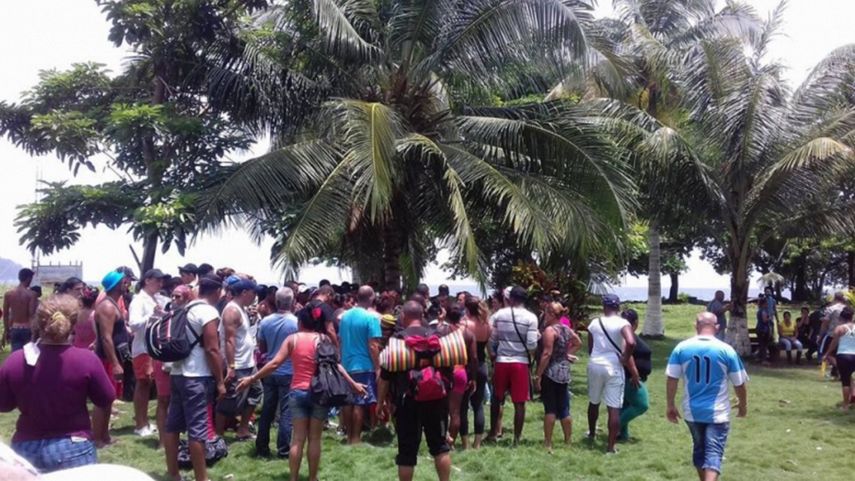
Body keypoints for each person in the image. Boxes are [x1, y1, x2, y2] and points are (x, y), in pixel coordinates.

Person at [237, 305, 365, 481]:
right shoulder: (323, 339)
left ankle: (293, 478)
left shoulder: (292, 339)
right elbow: (336, 365)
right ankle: (312, 478)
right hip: (319, 393)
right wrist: (353, 384)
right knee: (314, 439)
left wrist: (251, 379)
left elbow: (274, 364)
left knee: (297, 439)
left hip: (297, 392)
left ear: (300, 322)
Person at [0, 295, 116, 472]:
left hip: (26, 447)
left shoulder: (15, 360)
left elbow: (4, 405)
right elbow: (106, 398)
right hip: (73, 445)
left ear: (38, 322)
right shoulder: (86, 360)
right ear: (74, 322)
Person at [666, 312, 749, 481]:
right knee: (714, 453)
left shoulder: (681, 348)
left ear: (696, 326)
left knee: (699, 450)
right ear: (717, 327)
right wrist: (743, 404)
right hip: (718, 413)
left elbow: (672, 378)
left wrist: (670, 405)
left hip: (692, 411)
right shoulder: (726, 350)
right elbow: (739, 383)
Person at [377, 301, 452, 481]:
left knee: (406, 452)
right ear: (422, 315)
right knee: (440, 447)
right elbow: (448, 371)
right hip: (436, 398)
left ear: (403, 316)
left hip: (406, 401)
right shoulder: (437, 337)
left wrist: (380, 403)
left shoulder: (397, 340)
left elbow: (385, 377)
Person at [163, 275, 226, 481]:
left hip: (178, 373)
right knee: (197, 430)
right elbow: (212, 348)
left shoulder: (185, 308)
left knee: (173, 426)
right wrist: (220, 381)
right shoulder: (208, 311)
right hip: (198, 376)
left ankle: (173, 473)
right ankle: (202, 478)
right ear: (216, 291)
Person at [586, 293, 637, 454]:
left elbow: (590, 345)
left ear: (604, 306)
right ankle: (610, 447)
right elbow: (630, 342)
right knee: (613, 407)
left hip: (595, 363)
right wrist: (625, 357)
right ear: (618, 306)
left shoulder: (595, 322)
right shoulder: (622, 323)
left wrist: (594, 356)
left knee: (594, 401)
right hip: (614, 365)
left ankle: (592, 433)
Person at [487, 286, 538, 446]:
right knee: (519, 402)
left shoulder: (498, 315)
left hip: (502, 361)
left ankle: (493, 433)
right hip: (520, 363)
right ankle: (516, 438)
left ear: (511, 299)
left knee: (497, 398)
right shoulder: (531, 318)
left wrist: (494, 354)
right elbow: (531, 345)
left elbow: (492, 338)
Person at [255, 286, 299, 458]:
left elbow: (262, 347)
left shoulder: (265, 322)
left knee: (267, 410)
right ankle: (283, 449)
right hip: (289, 371)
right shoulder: (296, 322)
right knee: (287, 412)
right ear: (292, 302)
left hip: (270, 370)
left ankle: (262, 447)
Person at [216, 279, 262, 440]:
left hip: (248, 363)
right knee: (229, 400)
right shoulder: (232, 311)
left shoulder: (242, 309)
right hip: (238, 363)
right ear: (244, 293)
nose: (255, 296)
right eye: (253, 293)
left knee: (256, 392)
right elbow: (229, 340)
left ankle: (243, 430)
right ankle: (218, 435)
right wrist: (231, 366)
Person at [535, 302, 582, 453]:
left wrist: (538, 375)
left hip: (551, 372)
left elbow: (547, 353)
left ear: (550, 314)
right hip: (564, 371)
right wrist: (566, 354)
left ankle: (548, 442)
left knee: (550, 408)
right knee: (564, 408)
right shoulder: (566, 329)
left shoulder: (550, 331)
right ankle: (568, 440)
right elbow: (578, 342)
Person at [127, 268, 169, 437]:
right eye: (157, 280)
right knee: (143, 384)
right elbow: (134, 324)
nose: (161, 284)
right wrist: (152, 316)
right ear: (147, 281)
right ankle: (140, 423)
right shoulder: (138, 300)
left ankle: (144, 421)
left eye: (161, 281)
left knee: (148, 384)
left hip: (154, 347)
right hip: (143, 347)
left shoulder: (155, 298)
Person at [339, 286, 383, 444]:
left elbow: (341, 340)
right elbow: (373, 346)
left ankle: (349, 435)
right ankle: (356, 438)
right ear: (371, 298)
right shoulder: (371, 318)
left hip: (346, 363)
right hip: (364, 364)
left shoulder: (344, 317)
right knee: (360, 402)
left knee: (348, 402)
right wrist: (378, 366)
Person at [92, 271, 131, 447]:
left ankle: (104, 436)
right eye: (124, 282)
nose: (127, 285)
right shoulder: (107, 307)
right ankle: (98, 438)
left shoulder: (113, 304)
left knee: (109, 399)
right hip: (107, 360)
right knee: (103, 400)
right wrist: (115, 364)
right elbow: (106, 338)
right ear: (116, 285)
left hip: (112, 358)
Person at [444, 302, 477, 449]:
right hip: (460, 372)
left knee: (441, 410)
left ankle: (443, 440)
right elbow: (474, 358)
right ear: (462, 316)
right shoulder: (468, 334)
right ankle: (451, 442)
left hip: (443, 372)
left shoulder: (442, 331)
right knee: (455, 411)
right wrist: (473, 378)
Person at [459, 297, 491, 449]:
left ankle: (465, 443)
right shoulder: (487, 325)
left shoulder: (464, 325)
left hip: (466, 366)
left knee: (463, 405)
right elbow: (489, 348)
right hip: (482, 366)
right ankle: (477, 443)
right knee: (478, 405)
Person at [618, 309, 651, 442]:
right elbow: (627, 354)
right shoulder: (626, 337)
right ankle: (614, 427)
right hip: (631, 378)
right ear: (636, 322)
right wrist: (635, 373)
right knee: (641, 405)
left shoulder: (627, 335)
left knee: (626, 406)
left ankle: (622, 435)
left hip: (631, 377)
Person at [822, 307, 855, 410]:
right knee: (851, 378)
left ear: (841, 317)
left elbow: (834, 343)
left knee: (845, 381)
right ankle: (851, 398)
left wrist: (827, 353)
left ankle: (845, 405)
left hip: (843, 355)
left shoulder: (840, 328)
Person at [3, 268, 38, 352]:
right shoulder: (32, 294)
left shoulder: (8, 294)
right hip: (27, 328)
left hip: (14, 328)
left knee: (15, 354)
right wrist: (35, 332)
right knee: (29, 356)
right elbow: (31, 314)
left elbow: (6, 315)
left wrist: (7, 331)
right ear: (28, 278)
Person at [755, 297, 775, 365]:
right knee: (764, 345)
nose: (767, 304)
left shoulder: (759, 310)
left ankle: (759, 358)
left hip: (759, 328)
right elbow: (764, 320)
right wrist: (769, 318)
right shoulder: (763, 311)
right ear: (764, 303)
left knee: (761, 344)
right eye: (766, 303)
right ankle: (764, 360)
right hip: (763, 329)